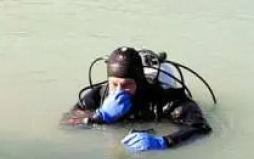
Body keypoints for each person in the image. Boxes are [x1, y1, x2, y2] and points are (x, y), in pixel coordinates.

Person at [64, 46, 214, 152]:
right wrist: (97, 117)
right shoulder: (98, 96)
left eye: (127, 85)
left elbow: (200, 128)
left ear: (140, 81)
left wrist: (164, 142)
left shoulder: (165, 100)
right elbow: (66, 123)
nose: (118, 91)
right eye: (114, 84)